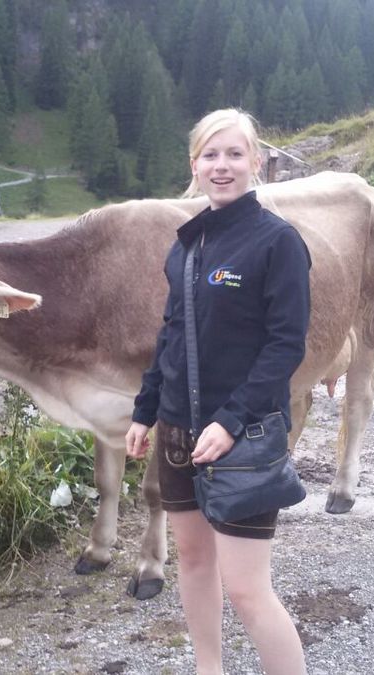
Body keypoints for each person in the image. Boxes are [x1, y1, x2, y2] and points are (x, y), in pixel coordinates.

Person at [125, 108, 311, 675]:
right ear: (194, 165)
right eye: (211, 155)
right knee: (193, 561)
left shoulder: (277, 242)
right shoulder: (186, 245)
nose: (222, 166)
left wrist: (230, 422)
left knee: (248, 590)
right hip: (178, 432)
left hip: (244, 437)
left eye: (234, 154)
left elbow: (285, 347)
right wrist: (145, 410)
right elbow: (170, 334)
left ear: (256, 162)